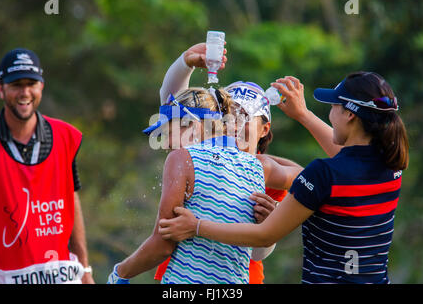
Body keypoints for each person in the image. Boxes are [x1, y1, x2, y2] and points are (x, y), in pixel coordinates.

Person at [158, 72, 409, 284]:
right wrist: (303, 115)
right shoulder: (390, 165)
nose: (330, 114)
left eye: (333, 107)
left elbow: (265, 235)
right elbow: (349, 159)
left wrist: (197, 226)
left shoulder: (323, 174)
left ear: (350, 115)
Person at [153, 44, 302, 284]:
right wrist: (185, 62)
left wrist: (270, 225)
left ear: (264, 129)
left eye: (243, 117)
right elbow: (170, 103)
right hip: (179, 278)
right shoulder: (194, 152)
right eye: (226, 116)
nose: (232, 124)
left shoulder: (266, 174)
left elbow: (258, 251)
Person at [0, 48, 94, 284]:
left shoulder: (64, 136)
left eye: (31, 83)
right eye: (16, 85)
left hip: (61, 273)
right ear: (1, 89)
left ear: (42, 86)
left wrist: (85, 270)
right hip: (0, 275)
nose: (25, 92)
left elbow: (71, 200)